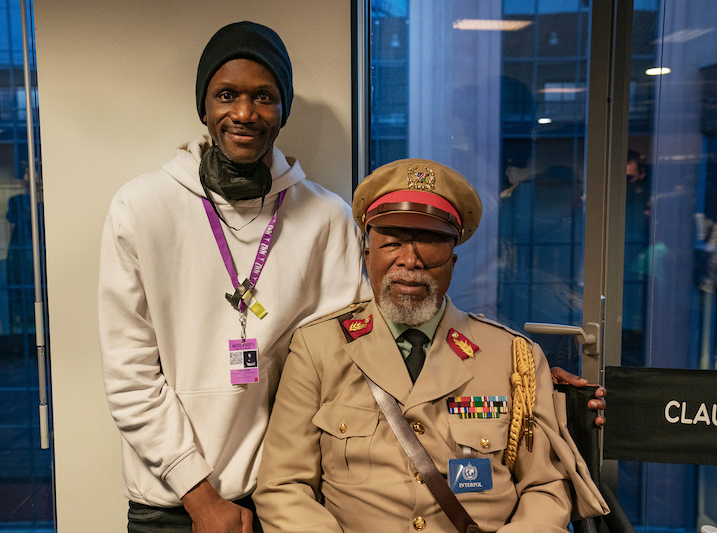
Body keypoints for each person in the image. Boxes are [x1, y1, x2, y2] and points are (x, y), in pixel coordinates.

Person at [98, 21, 368, 532]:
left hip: (290, 499)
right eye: (227, 95)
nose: (244, 113)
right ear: (203, 106)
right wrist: (200, 497)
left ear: (283, 109)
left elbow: (345, 365)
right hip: (171, 505)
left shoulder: (327, 218)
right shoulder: (141, 207)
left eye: (264, 96)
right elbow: (129, 375)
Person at [254, 158, 608, 532]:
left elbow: (546, 488)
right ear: (368, 255)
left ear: (452, 261)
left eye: (430, 242)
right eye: (392, 242)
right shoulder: (318, 349)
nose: (410, 261)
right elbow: (283, 486)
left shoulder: (513, 358)